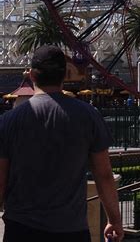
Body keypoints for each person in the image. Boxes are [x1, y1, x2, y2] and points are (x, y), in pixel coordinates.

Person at [0, 45, 124, 242]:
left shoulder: (9, 121)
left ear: (31, 75)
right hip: (71, 229)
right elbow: (104, 175)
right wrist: (115, 220)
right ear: (65, 75)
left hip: (21, 228)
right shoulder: (89, 116)